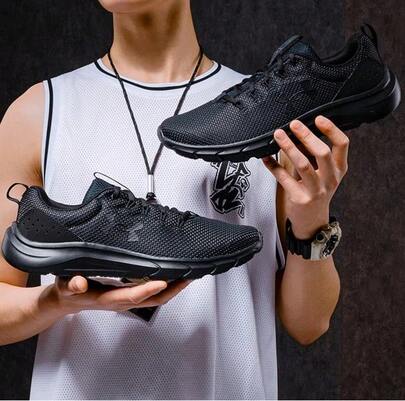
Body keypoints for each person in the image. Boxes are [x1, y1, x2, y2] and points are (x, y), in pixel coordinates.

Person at [0, 0, 347, 399]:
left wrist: (313, 218)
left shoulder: (266, 114)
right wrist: (56, 300)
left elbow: (309, 324)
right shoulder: (39, 112)